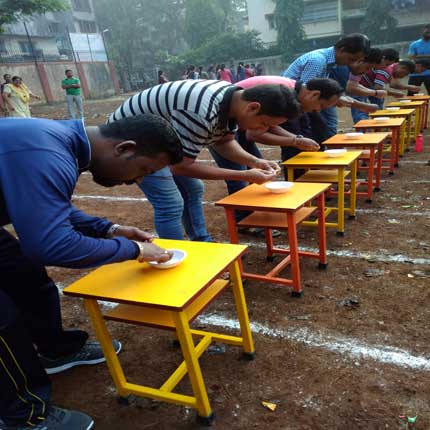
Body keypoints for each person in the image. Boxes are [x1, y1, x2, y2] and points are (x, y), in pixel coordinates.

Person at [0, 114, 183, 430]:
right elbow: (51, 246)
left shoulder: (59, 142)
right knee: (3, 321)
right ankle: (24, 418)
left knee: (28, 278)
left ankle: (56, 349)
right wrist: (135, 251)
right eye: (144, 170)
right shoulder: (48, 152)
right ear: (125, 149)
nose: (136, 181)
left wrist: (109, 229)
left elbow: (45, 201)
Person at [109, 80, 301, 242]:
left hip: (156, 138)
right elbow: (181, 167)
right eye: (265, 123)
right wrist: (243, 174)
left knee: (193, 189)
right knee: (170, 203)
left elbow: (224, 142)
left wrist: (255, 161)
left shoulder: (233, 99)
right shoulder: (201, 112)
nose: (262, 129)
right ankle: (173, 261)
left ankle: (201, 243)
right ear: (252, 107)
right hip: (130, 142)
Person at [209, 76, 344, 225]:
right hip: (224, 121)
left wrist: (296, 139)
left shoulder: (289, 94)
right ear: (314, 94)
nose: (318, 110)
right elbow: (254, 132)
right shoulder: (283, 94)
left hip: (236, 119)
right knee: (240, 173)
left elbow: (269, 124)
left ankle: (256, 215)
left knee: (257, 167)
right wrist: (293, 141)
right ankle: (244, 220)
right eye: (321, 105)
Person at [282, 33, 371, 138]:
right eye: (351, 59)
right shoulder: (318, 60)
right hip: (291, 102)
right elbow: (306, 93)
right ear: (342, 50)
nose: (350, 63)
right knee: (305, 135)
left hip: (301, 103)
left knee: (321, 128)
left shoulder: (329, 63)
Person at [349, 60, 419, 121]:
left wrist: (409, 87)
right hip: (357, 85)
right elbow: (378, 88)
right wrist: (394, 93)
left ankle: (377, 121)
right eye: (405, 74)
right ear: (402, 67)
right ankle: (364, 128)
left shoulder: (393, 69)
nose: (403, 76)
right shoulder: (387, 69)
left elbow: (394, 84)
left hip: (367, 85)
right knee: (361, 109)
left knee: (379, 99)